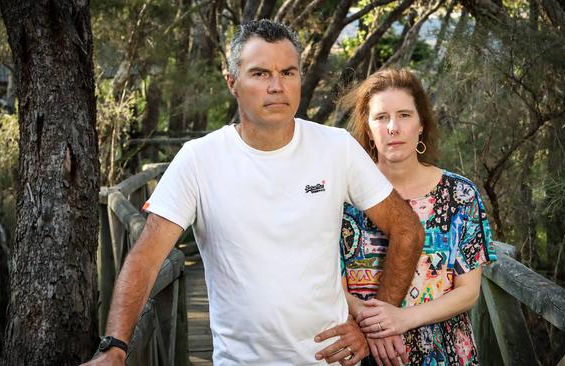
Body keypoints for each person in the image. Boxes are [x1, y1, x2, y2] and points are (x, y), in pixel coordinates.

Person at [82, 21, 425, 366]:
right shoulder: (199, 159)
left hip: (330, 358)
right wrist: (115, 346)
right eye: (260, 74)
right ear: (232, 82)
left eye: (288, 72)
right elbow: (146, 257)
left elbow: (407, 228)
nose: (277, 87)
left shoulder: (336, 147)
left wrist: (373, 328)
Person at [339, 68, 497, 366]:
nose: (393, 127)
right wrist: (375, 325)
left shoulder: (460, 195)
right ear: (368, 127)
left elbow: (468, 292)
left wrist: (402, 319)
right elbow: (333, 283)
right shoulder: (344, 197)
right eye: (381, 117)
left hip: (444, 352)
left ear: (421, 124)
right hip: (364, 350)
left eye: (404, 115)